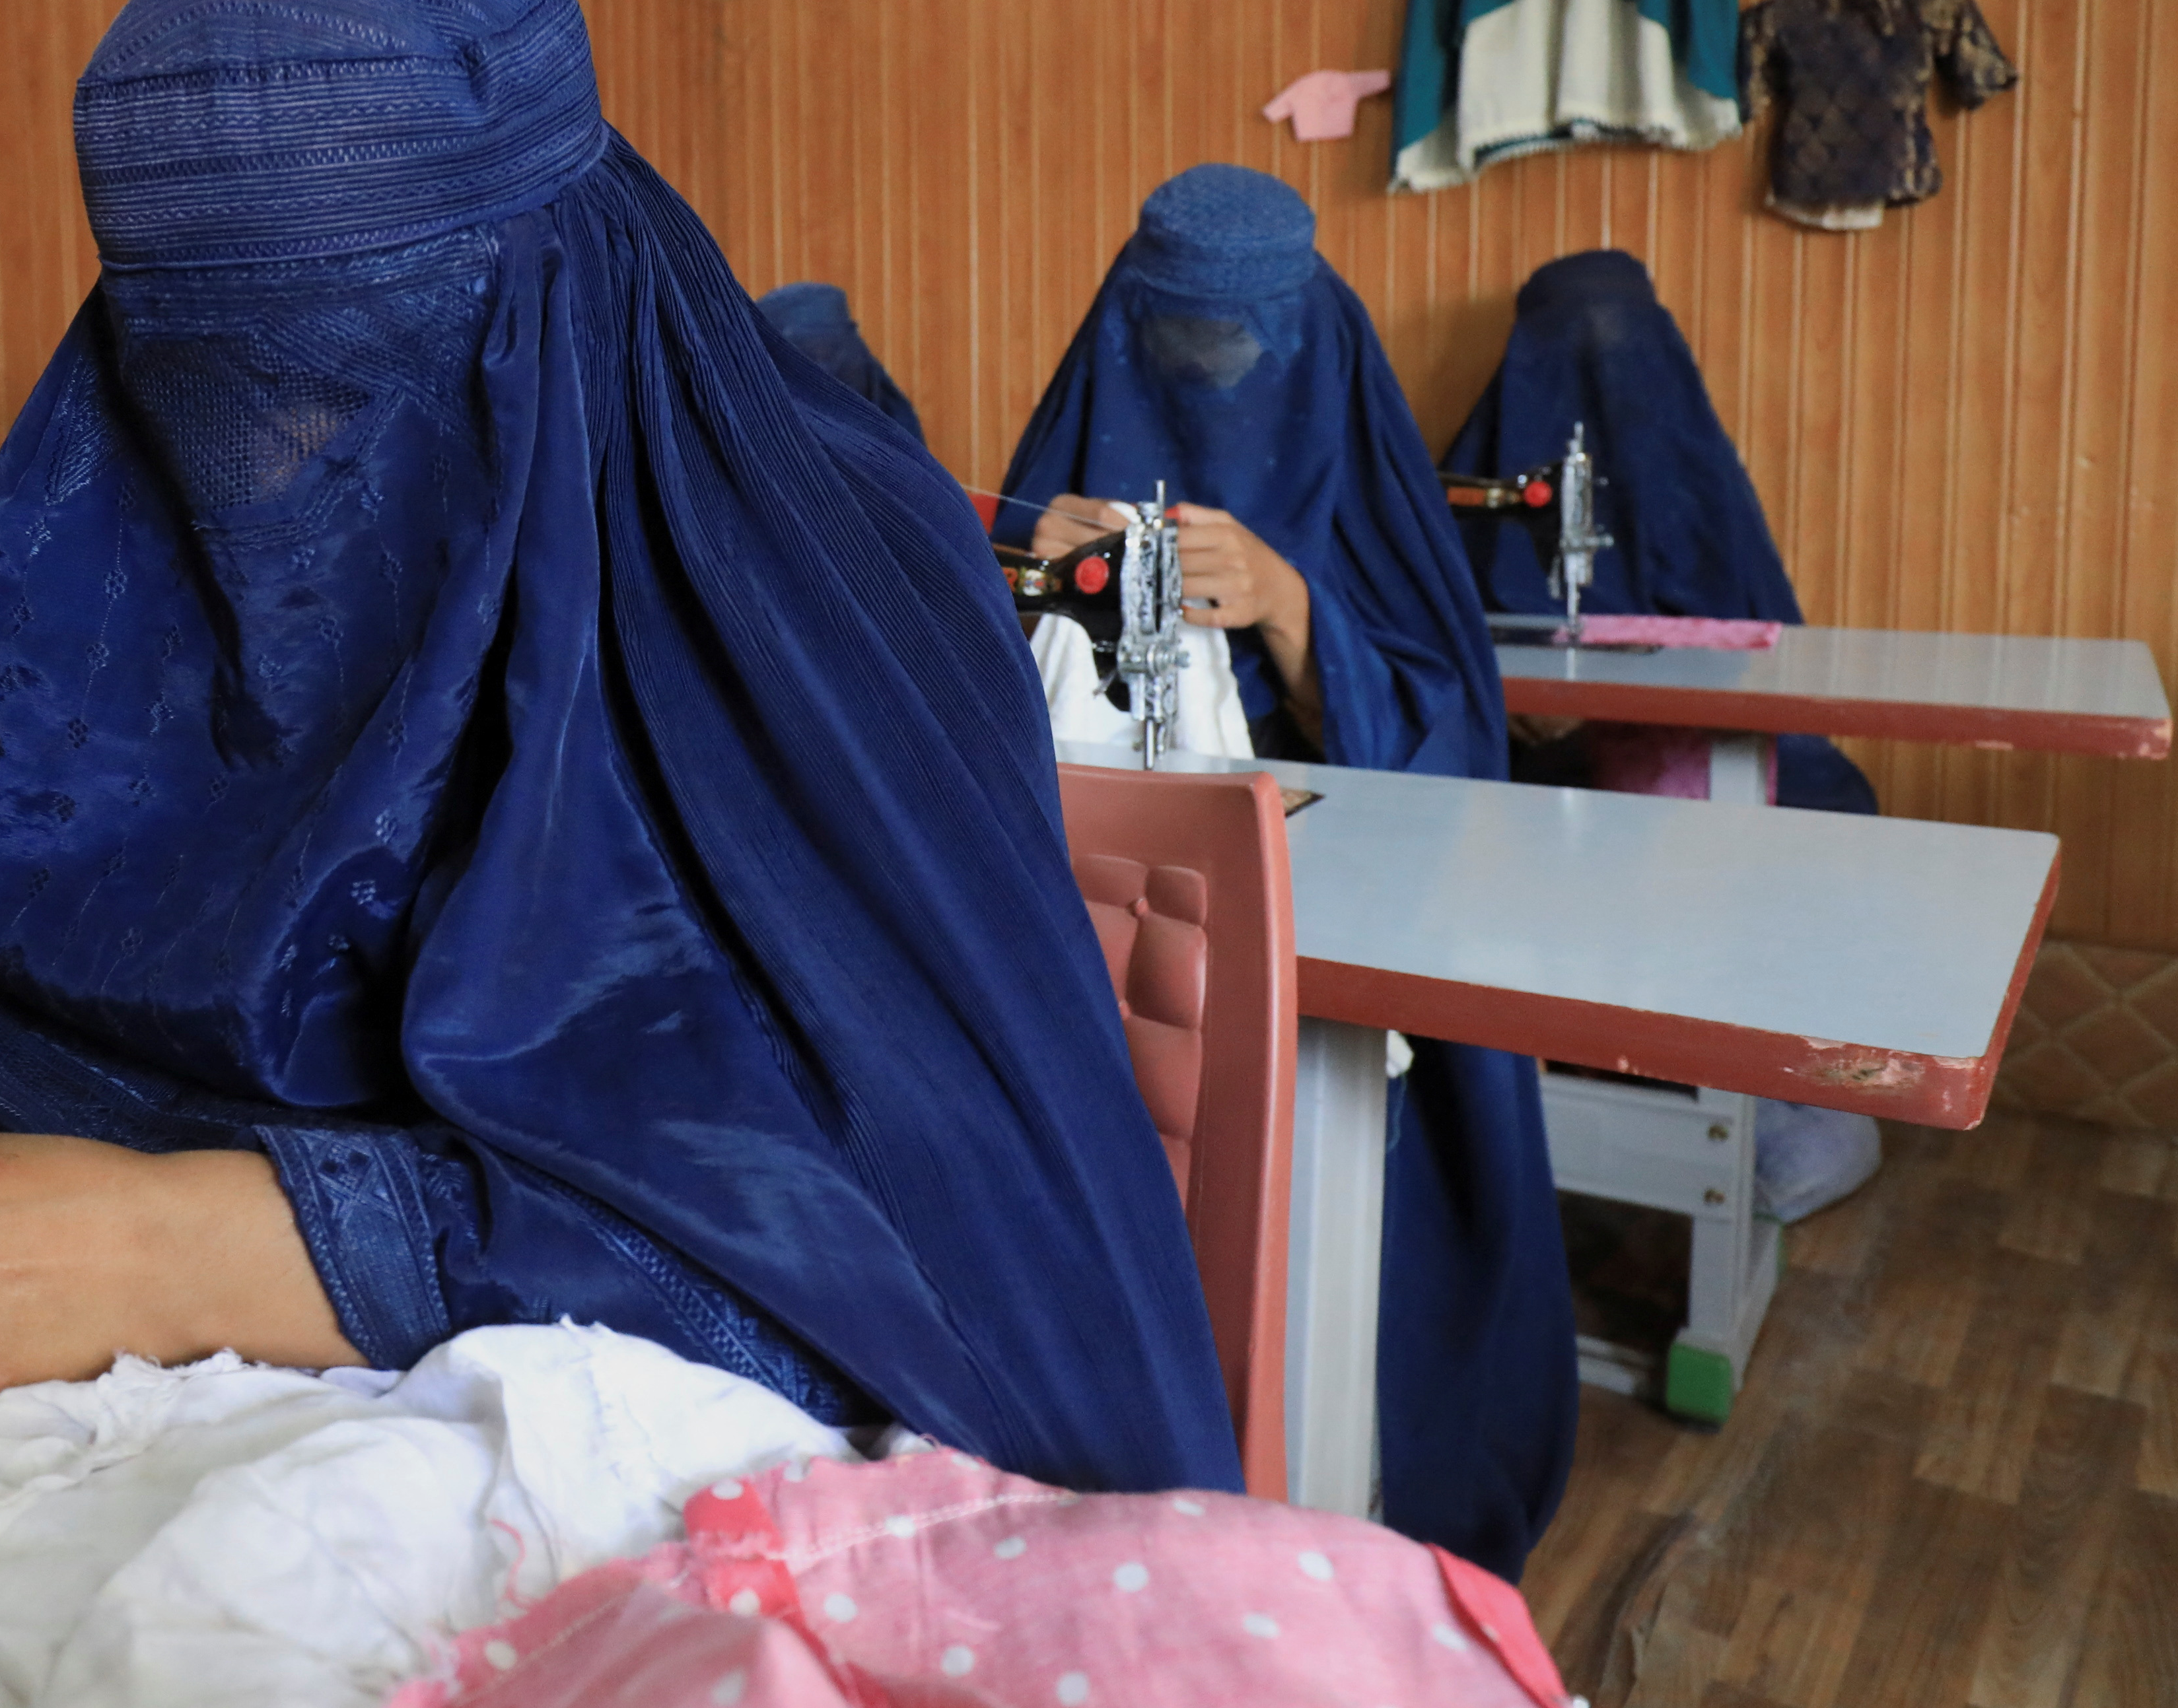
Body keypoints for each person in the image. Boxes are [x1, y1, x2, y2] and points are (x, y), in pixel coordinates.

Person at [0, 0, 1244, 1499]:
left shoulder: (829, 581)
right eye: (208, 379)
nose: (271, 458)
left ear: (545, 291)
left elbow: (923, 1263)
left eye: (344, 366)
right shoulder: (133, 531)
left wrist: (193, 1245)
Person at [993, 163, 1572, 1578]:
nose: (1214, 379)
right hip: (1108, 957)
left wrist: (1296, 612)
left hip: (1336, 945)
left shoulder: (1360, 472)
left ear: (1307, 331)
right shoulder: (1060, 470)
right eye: (1175, 346)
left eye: (1246, 345)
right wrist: (1012, 575)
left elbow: (1458, 733)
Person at [1444, 247, 1884, 1218]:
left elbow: (1768, 646)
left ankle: (1729, 1094)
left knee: (1815, 810)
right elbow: (1438, 650)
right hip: (1546, 771)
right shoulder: (1485, 470)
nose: (1592, 368)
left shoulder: (1686, 470)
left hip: (1709, 761)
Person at [756, 282, 925, 439]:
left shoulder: (899, 434)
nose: (825, 371)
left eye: (831, 352)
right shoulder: (748, 448)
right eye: (807, 357)